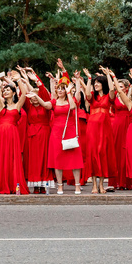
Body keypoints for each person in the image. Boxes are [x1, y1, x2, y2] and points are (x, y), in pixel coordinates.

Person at [0, 71, 30, 194]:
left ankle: (13, 185)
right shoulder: (1, 105)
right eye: (4, 91)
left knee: (12, 159)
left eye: (8, 90)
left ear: (14, 92)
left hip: (13, 134)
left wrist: (18, 80)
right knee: (0, 158)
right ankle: (1, 184)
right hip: (0, 134)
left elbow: (24, 94)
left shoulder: (17, 106)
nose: (5, 92)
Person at [45, 61, 83, 195]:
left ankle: (77, 185)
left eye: (63, 88)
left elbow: (73, 106)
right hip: (57, 132)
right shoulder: (54, 101)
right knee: (58, 159)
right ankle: (60, 186)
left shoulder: (72, 99)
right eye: (59, 88)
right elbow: (47, 101)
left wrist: (71, 90)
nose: (60, 90)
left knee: (75, 159)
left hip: (70, 130)